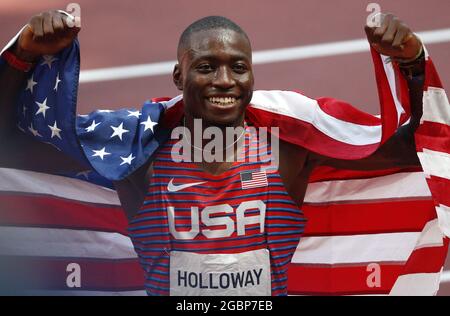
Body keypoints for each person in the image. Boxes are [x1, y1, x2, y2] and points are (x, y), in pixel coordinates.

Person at [0, 10, 428, 295]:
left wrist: (411, 63)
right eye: (206, 67)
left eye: (238, 67)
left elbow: (412, 149)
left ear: (252, 75)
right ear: (177, 75)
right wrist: (24, 54)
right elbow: (13, 145)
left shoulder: (289, 149)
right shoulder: (138, 150)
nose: (225, 80)